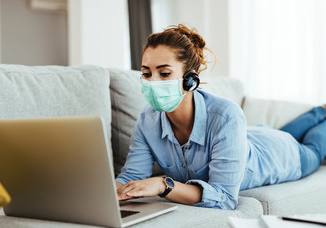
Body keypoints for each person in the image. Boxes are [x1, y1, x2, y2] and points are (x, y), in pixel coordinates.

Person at [115, 24, 326, 210]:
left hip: (283, 155)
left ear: (190, 80)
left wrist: (164, 185)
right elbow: (132, 177)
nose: (153, 82)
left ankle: (321, 111)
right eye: (146, 73)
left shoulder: (226, 115)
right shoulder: (147, 119)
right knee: (281, 133)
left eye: (165, 73)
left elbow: (224, 198)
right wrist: (112, 191)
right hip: (253, 137)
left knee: (313, 147)